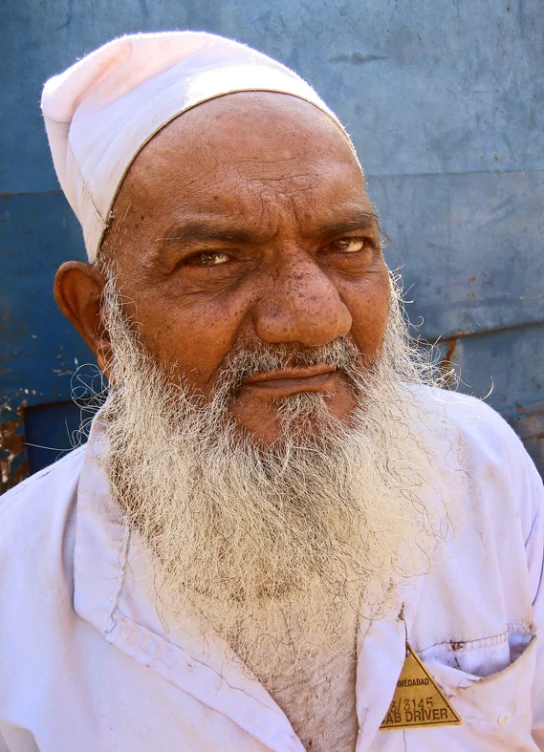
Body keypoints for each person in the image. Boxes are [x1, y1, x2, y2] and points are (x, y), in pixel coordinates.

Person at [0, 31, 542, 752]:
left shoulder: (480, 463)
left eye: (346, 246)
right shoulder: (16, 598)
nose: (316, 317)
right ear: (102, 320)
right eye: (215, 258)